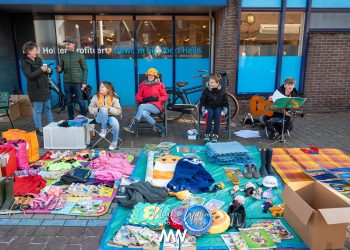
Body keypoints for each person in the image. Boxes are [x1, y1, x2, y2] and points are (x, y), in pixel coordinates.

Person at [20, 41, 53, 136]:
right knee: (38, 110)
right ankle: (39, 128)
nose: (37, 52)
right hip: (35, 90)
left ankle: (51, 125)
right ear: (28, 52)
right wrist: (41, 69)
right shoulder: (24, 63)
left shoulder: (38, 59)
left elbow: (43, 71)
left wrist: (48, 71)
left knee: (48, 108)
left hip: (44, 87)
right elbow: (30, 76)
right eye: (35, 50)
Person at [123, 68, 168, 137]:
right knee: (144, 114)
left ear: (155, 76)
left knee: (141, 106)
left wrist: (156, 98)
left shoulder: (160, 85)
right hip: (146, 105)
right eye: (149, 75)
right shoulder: (143, 85)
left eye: (152, 75)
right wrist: (144, 99)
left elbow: (165, 97)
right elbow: (137, 97)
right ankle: (161, 127)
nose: (150, 77)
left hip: (156, 107)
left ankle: (133, 125)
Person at [56, 37, 88, 120]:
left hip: (77, 82)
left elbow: (85, 69)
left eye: (68, 44)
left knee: (80, 101)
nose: (66, 46)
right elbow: (61, 69)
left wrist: (84, 82)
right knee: (69, 102)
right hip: (66, 82)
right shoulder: (63, 56)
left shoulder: (79, 55)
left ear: (73, 44)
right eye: (65, 44)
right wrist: (59, 69)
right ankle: (71, 119)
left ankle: (84, 118)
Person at [88, 81, 122, 151]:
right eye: (100, 86)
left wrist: (109, 108)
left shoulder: (114, 96)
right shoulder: (96, 96)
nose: (100, 88)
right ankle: (104, 130)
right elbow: (90, 108)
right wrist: (98, 109)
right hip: (99, 117)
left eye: (102, 87)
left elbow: (118, 111)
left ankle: (114, 142)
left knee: (116, 124)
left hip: (110, 116)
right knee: (103, 109)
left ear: (108, 88)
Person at [200, 73, 229, 143]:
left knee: (218, 113)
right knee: (209, 113)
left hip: (219, 107)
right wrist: (203, 110)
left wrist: (225, 111)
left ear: (217, 82)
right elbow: (202, 101)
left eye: (212, 82)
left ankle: (215, 135)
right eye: (209, 82)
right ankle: (207, 134)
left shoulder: (222, 91)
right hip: (209, 107)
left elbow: (225, 103)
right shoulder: (206, 91)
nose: (210, 83)